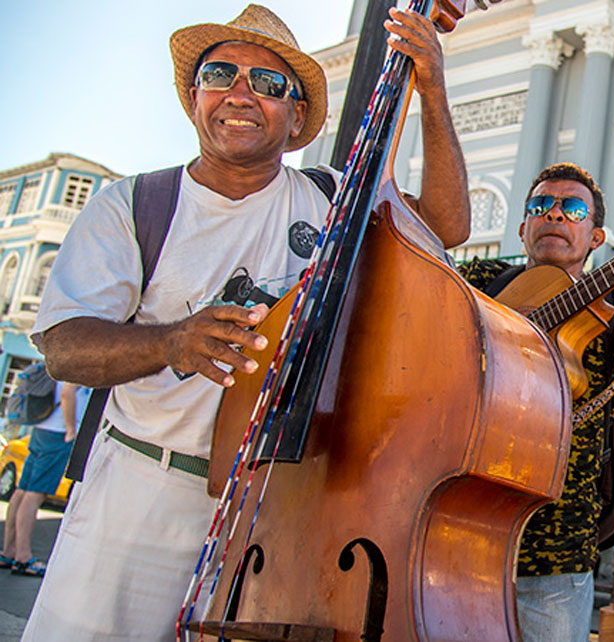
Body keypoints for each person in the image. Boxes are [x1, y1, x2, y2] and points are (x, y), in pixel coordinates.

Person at [24, 4, 469, 639]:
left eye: (268, 84)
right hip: (139, 494)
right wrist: (173, 342)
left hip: (275, 508)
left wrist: (432, 89)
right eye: (221, 74)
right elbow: (65, 349)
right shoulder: (133, 204)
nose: (240, 94)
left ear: (294, 120)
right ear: (194, 98)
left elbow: (445, 230)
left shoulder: (330, 200)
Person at [459, 162, 614, 641]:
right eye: (540, 206)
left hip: (554, 554)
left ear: (596, 238)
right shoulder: (481, 279)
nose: (554, 214)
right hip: (455, 530)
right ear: (523, 226)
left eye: (572, 209)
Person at [1, 380, 89, 576]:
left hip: (41, 429)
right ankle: (23, 557)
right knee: (34, 494)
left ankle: (8, 551)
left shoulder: (60, 357)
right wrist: (70, 429)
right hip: (57, 435)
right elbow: (67, 392)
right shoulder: (76, 359)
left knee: (22, 490)